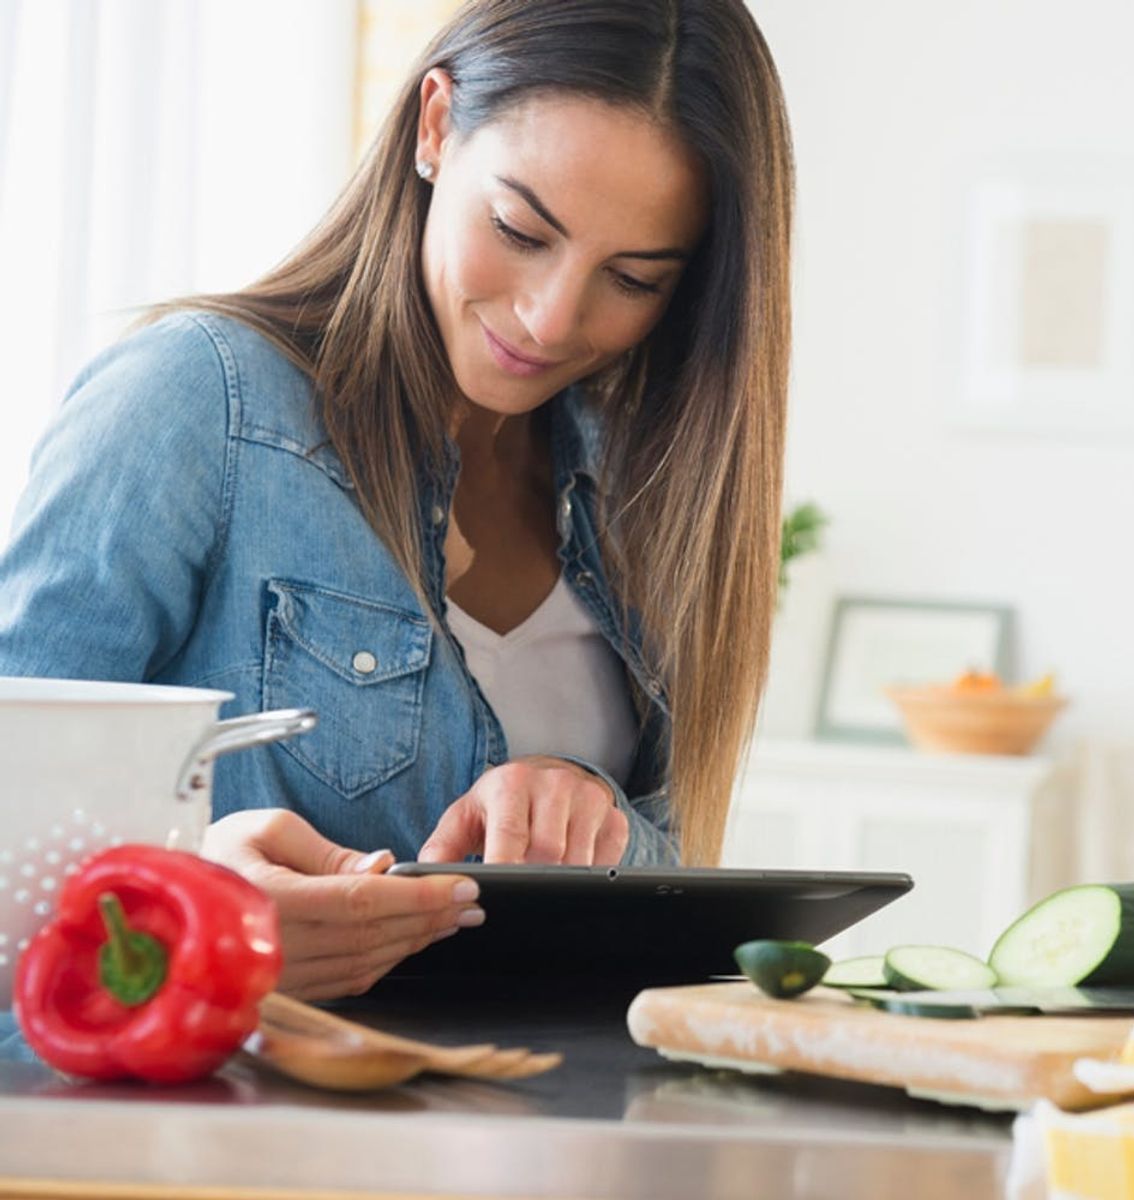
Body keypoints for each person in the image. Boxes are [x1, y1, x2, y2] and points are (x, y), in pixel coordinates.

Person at [0, 0, 793, 1001]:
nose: (551, 319)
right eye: (519, 229)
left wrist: (593, 817)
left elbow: (671, 889)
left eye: (633, 279)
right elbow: (14, 829)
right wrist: (194, 918)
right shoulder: (198, 399)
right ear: (435, 126)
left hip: (562, 1095)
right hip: (246, 1098)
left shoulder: (648, 491)